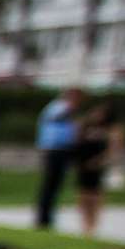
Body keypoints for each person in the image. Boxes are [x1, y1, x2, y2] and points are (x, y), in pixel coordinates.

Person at [73, 98, 125, 238]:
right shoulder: (84, 126)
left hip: (98, 166)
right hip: (82, 164)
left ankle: (92, 228)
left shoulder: (112, 130)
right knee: (83, 196)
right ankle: (85, 226)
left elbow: (116, 149)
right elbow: (76, 142)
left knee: (95, 196)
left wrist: (100, 160)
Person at [33, 85, 85, 229]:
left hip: (62, 150)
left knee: (55, 185)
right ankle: (43, 219)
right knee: (50, 184)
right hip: (55, 150)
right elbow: (60, 117)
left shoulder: (63, 110)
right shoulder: (59, 107)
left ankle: (47, 218)